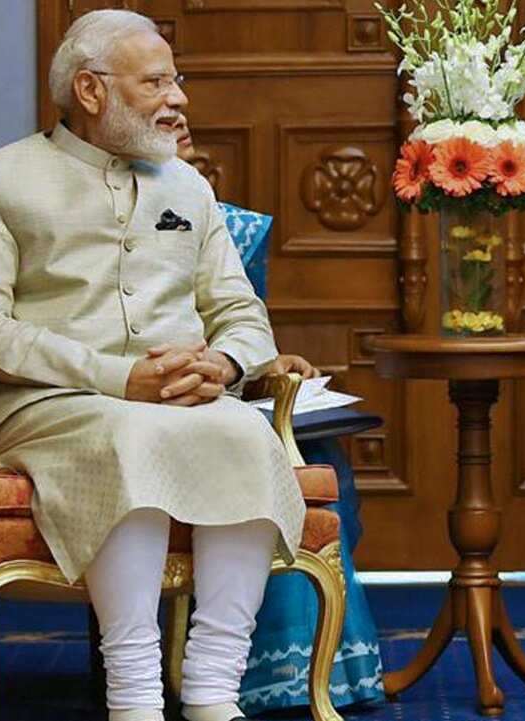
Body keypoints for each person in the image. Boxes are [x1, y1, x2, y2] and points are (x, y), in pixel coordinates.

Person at [0, 10, 305, 721]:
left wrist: (223, 363)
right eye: (157, 81)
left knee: (244, 434)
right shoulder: (0, 179)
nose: (179, 98)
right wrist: (117, 377)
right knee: (130, 434)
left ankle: (212, 687)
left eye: (177, 80)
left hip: (175, 399)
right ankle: (135, 694)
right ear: (90, 89)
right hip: (39, 402)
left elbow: (242, 311)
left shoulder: (188, 187)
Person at [175, 116, 387, 713]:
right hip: (158, 398)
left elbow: (242, 324)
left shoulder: (229, 226)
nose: (179, 114)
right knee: (275, 456)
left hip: (228, 387)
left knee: (318, 459)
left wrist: (270, 361)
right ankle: (247, 672)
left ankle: (322, 669)